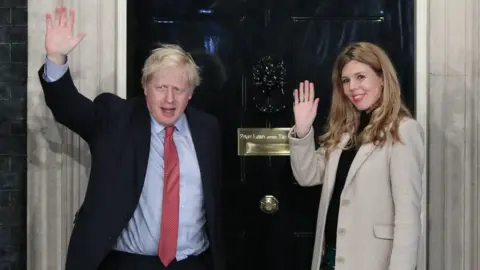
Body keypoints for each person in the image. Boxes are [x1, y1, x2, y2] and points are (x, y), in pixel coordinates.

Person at [38, 6, 225, 270]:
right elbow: (70, 109)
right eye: (161, 88)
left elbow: (216, 202)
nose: (169, 99)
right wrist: (56, 57)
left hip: (192, 263)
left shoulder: (208, 129)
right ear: (146, 87)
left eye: (178, 90)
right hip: (129, 263)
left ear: (190, 93)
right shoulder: (117, 119)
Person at [288, 42, 425, 270]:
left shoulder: (403, 130)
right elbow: (307, 176)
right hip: (331, 259)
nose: (352, 87)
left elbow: (408, 218)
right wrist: (302, 131)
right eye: (346, 80)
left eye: (361, 77)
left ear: (382, 78)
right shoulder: (344, 131)